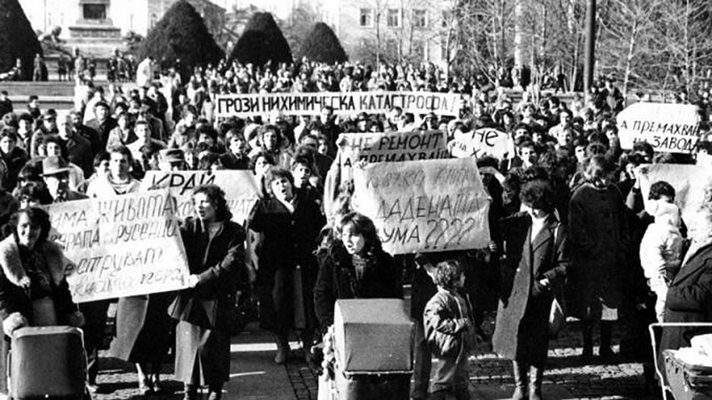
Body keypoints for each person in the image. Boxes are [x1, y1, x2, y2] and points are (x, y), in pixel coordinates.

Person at [492, 179, 569, 400]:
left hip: (537, 294)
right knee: (515, 340)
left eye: (536, 208)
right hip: (516, 291)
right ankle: (520, 386)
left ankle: (535, 387)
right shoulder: (520, 222)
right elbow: (493, 224)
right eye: (529, 206)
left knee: (536, 342)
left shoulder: (557, 230)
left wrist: (546, 280)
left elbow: (565, 264)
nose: (532, 211)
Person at [169, 184, 245, 400]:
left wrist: (202, 278)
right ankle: (189, 391)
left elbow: (232, 261)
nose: (199, 206)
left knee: (216, 347)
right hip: (190, 299)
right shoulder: (189, 227)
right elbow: (172, 247)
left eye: (204, 201)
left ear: (217, 203)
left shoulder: (234, 230)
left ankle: (215, 390)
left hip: (218, 297)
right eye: (196, 202)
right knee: (188, 345)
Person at [0, 208, 84, 397]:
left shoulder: (50, 252)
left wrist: (71, 312)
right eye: (24, 226)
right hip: (20, 318)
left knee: (51, 370)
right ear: (15, 227)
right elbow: (2, 295)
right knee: (23, 373)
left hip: (51, 317)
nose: (29, 232)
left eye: (35, 227)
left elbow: (62, 288)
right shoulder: (5, 254)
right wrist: (10, 318)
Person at [249, 167, 325, 364]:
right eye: (276, 183)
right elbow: (252, 232)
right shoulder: (264, 207)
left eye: (284, 181)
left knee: (306, 306)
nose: (281, 186)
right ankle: (283, 347)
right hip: (276, 266)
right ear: (270, 189)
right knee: (279, 306)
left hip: (305, 263)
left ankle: (308, 348)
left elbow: (320, 230)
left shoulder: (308, 204)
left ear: (291, 183)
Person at [568, 155, 629, 360]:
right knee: (589, 305)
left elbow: (623, 219)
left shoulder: (614, 192)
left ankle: (605, 346)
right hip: (590, 262)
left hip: (612, 260)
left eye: (608, 176)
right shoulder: (580, 195)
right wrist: (591, 248)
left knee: (609, 306)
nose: (604, 181)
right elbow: (576, 229)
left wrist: (622, 242)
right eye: (600, 177)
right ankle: (587, 347)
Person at [313, 211, 403, 330]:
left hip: (377, 327)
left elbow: (395, 298)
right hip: (342, 327)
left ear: (366, 235)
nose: (348, 240)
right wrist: (330, 325)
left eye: (353, 235)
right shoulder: (334, 261)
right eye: (344, 235)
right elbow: (321, 295)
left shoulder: (384, 262)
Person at [424, 260, 475, 400]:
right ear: (453, 280)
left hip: (460, 346)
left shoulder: (459, 296)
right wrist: (457, 325)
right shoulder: (439, 300)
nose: (464, 277)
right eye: (461, 275)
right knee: (443, 379)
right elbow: (436, 321)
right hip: (448, 346)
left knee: (461, 378)